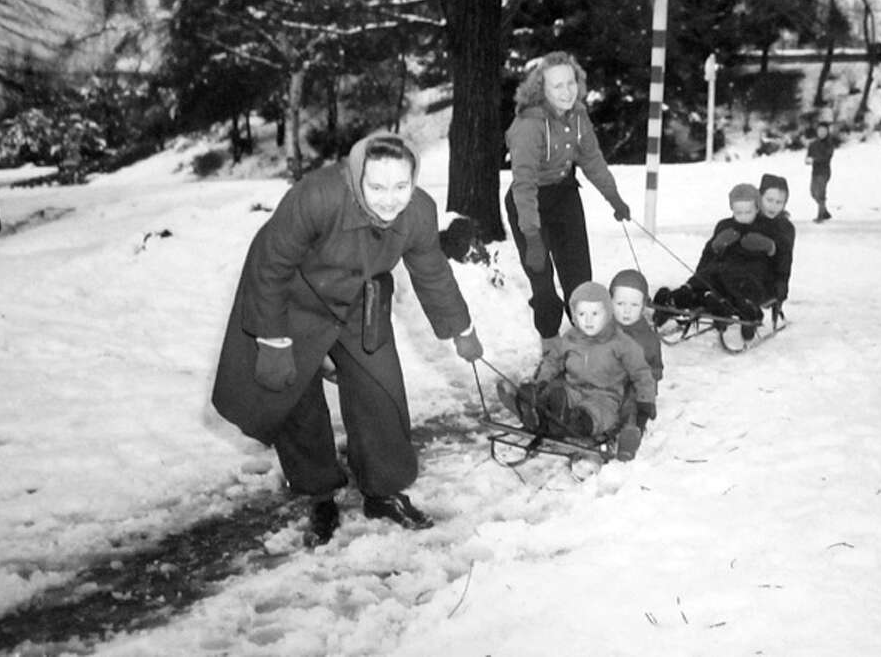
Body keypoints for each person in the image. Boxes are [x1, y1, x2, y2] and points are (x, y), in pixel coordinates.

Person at [211, 132, 484, 544]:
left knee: (381, 389)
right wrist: (272, 340)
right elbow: (271, 265)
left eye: (400, 186)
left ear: (414, 181)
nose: (390, 198)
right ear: (358, 178)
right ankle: (320, 494)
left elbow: (432, 272)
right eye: (377, 186)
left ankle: (383, 490)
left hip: (360, 300)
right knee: (295, 397)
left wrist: (460, 328)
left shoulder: (418, 213)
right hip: (294, 299)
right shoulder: (317, 197)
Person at [504, 52, 631, 354]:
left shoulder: (578, 115)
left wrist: (614, 198)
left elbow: (592, 159)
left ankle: (585, 354)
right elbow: (523, 185)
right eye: (557, 86)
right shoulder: (529, 125)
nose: (566, 91)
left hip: (564, 197)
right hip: (529, 205)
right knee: (544, 286)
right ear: (541, 91)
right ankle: (550, 353)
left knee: (579, 281)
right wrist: (532, 238)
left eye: (570, 83)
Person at [497, 282, 656, 460]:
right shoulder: (570, 337)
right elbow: (553, 361)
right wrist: (541, 381)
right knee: (556, 395)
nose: (588, 320)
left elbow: (641, 374)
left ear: (607, 313)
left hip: (604, 397)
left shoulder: (621, 343)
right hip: (572, 390)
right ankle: (537, 409)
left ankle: (566, 422)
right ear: (574, 314)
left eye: (595, 314)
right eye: (582, 314)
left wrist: (645, 403)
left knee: (592, 415)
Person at [653, 183, 778, 335]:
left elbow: (776, 258)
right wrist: (716, 246)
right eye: (739, 212)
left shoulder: (766, 226)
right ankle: (678, 297)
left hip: (749, 275)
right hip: (720, 270)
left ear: (757, 208)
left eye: (748, 212)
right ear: (732, 209)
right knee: (707, 275)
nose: (743, 216)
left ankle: (740, 308)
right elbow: (708, 255)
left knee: (733, 280)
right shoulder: (724, 225)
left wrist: (767, 245)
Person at [609, 269, 664, 461]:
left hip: (631, 386)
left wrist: (648, 397)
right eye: (620, 304)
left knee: (631, 404)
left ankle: (631, 434)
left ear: (642, 307)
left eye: (633, 305)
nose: (626, 310)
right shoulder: (602, 328)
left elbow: (655, 370)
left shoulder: (648, 339)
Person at [754, 173, 796, 314]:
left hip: (766, 283)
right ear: (760, 198)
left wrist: (780, 291)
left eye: (779, 202)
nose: (773, 206)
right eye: (769, 200)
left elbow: (784, 262)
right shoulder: (748, 217)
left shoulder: (784, 228)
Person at [805, 122, 835, 222]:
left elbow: (826, 157)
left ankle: (820, 215)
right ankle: (825, 212)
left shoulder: (829, 144)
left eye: (824, 131)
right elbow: (808, 156)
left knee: (820, 193)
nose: (821, 133)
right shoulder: (813, 144)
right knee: (813, 192)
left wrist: (815, 160)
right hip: (815, 172)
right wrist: (808, 160)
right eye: (820, 131)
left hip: (824, 171)